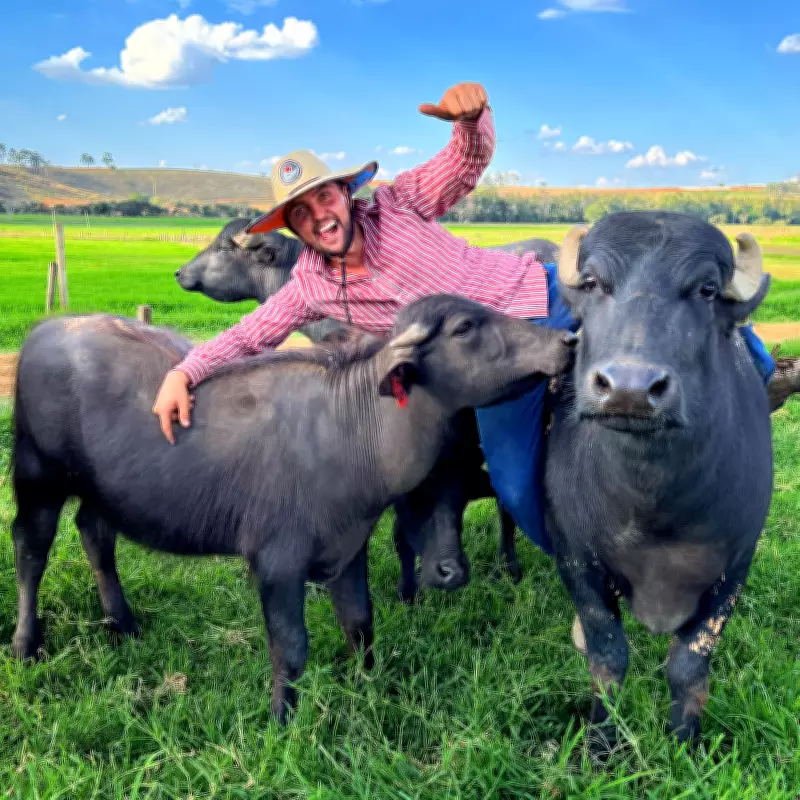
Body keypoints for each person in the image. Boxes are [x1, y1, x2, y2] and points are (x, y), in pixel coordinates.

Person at [153, 80, 783, 560]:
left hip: (548, 299)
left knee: (694, 315)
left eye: (323, 195)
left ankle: (761, 385)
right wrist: (186, 369)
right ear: (291, 227)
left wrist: (471, 122)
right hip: (496, 368)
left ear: (346, 193)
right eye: (301, 211)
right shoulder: (310, 285)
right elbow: (250, 334)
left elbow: (464, 163)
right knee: (513, 485)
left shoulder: (398, 205)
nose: (318, 213)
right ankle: (581, 560)